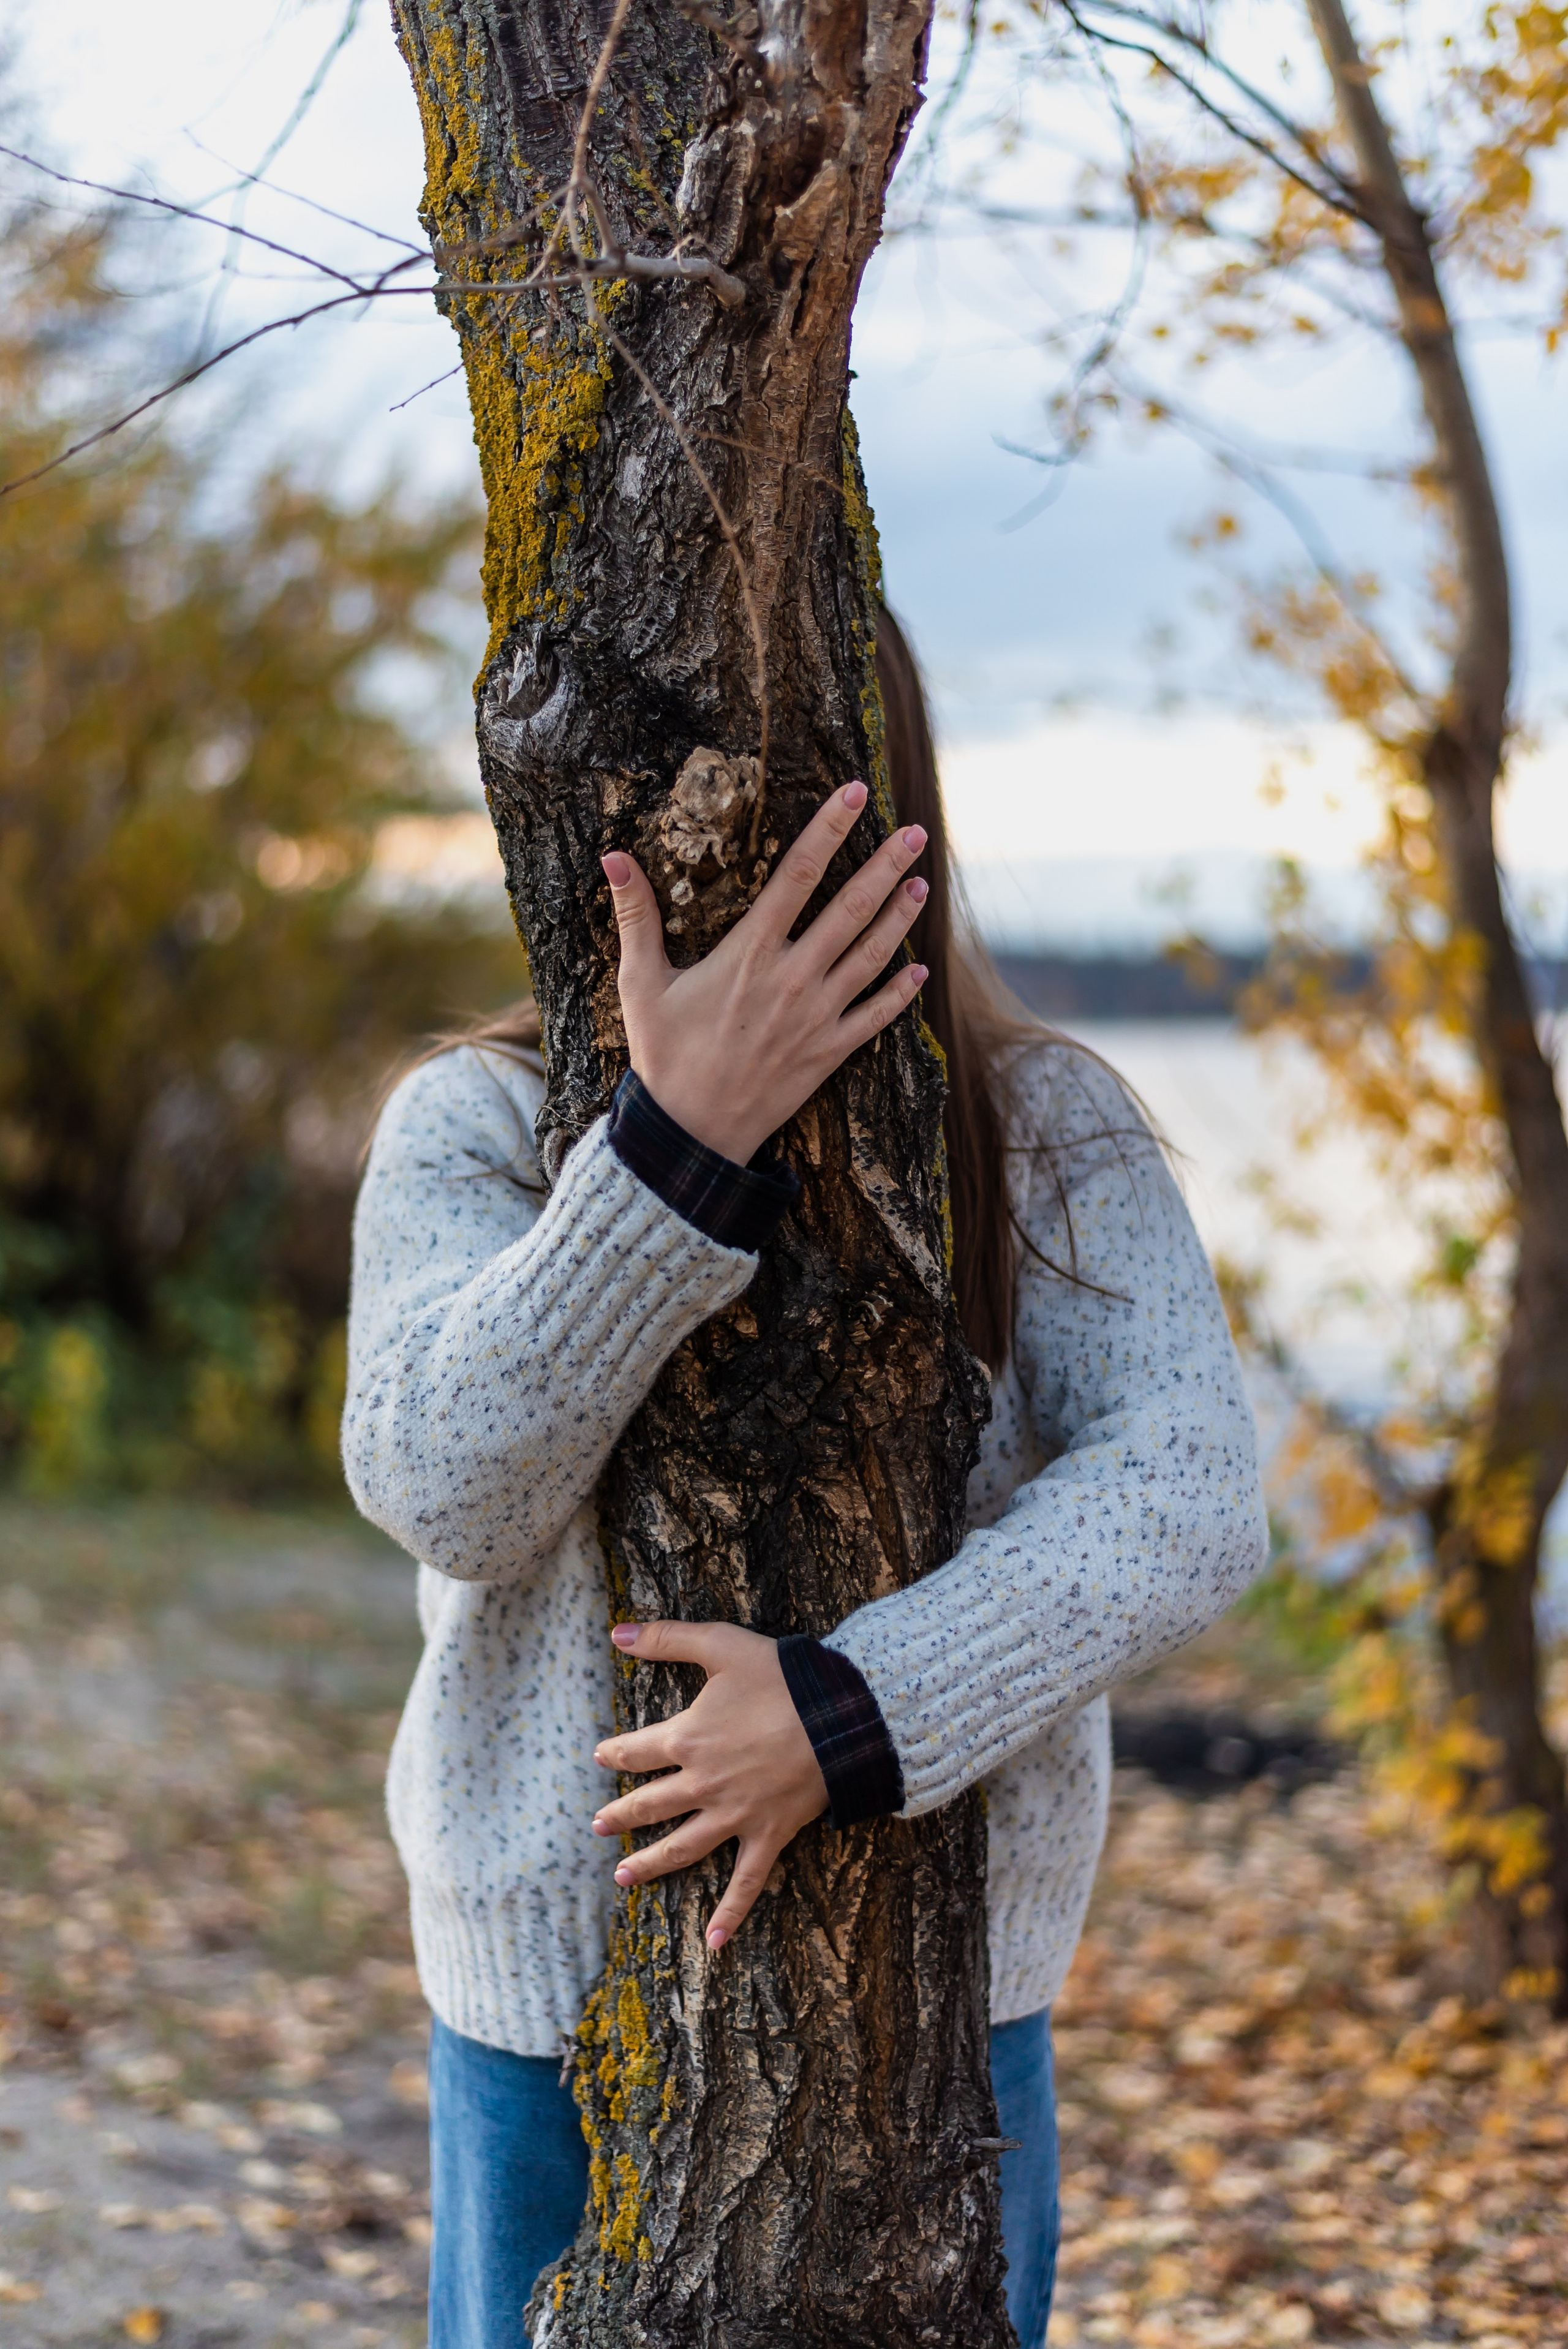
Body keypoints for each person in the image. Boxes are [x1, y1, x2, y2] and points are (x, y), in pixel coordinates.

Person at [342, 609, 1269, 2349]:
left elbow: (1193, 1492)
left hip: (945, 1993)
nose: (717, 854)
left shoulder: (1047, 1126)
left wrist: (855, 1707)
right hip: (549, 2007)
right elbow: (443, 1487)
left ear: (877, 798)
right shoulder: (476, 1122)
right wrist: (671, 1155)